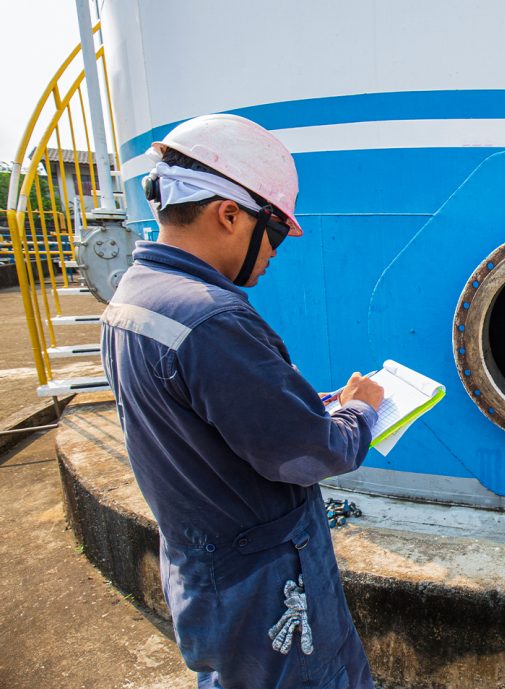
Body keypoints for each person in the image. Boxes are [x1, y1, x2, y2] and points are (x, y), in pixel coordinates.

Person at [100, 113, 383, 689]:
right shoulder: (212, 317)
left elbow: (204, 419)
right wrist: (360, 410)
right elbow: (310, 455)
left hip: (205, 574)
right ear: (229, 213)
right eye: (275, 231)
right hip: (267, 589)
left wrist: (310, 403)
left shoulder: (133, 299)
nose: (276, 252)